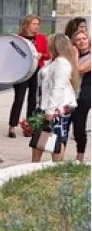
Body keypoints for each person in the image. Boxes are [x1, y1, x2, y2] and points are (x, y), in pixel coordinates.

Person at [31, 33, 79, 163]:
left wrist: (50, 110)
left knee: (56, 139)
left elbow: (58, 88)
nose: (47, 45)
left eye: (49, 43)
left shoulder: (62, 63)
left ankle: (56, 165)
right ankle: (35, 164)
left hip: (57, 107)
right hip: (46, 104)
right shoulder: (54, 61)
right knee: (40, 136)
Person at [7, 15, 50, 138]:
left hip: (36, 70)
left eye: (38, 24)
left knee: (33, 99)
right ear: (27, 25)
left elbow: (48, 54)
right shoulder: (18, 39)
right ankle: (12, 126)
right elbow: (11, 56)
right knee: (19, 99)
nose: (36, 26)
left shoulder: (41, 38)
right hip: (21, 71)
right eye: (34, 24)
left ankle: (30, 126)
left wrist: (42, 55)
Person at [70, 29, 91, 162]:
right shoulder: (72, 56)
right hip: (72, 93)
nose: (82, 41)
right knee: (72, 126)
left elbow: (80, 70)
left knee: (79, 124)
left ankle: (80, 155)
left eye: (84, 38)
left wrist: (75, 55)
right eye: (78, 40)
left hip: (86, 94)